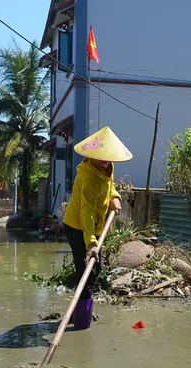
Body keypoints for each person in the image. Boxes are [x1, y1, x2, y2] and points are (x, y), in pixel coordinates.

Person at [62, 126, 133, 330]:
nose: (105, 160)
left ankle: (79, 312)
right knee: (88, 271)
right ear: (92, 155)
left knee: (96, 268)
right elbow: (87, 212)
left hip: (95, 225)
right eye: (101, 157)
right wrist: (91, 243)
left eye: (107, 157)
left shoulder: (107, 167)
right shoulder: (88, 178)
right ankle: (81, 322)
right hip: (78, 226)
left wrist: (115, 197)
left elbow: (109, 186)